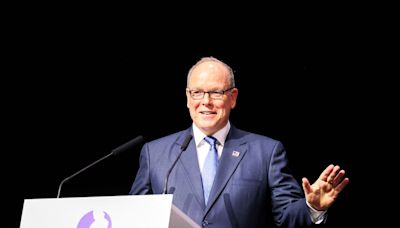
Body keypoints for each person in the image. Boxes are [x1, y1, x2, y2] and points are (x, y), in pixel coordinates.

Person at [129, 56, 349, 227]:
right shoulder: (154, 153)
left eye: (216, 92)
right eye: (197, 92)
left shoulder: (267, 152)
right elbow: (133, 217)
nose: (206, 102)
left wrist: (312, 207)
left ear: (233, 97)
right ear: (187, 98)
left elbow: (287, 217)